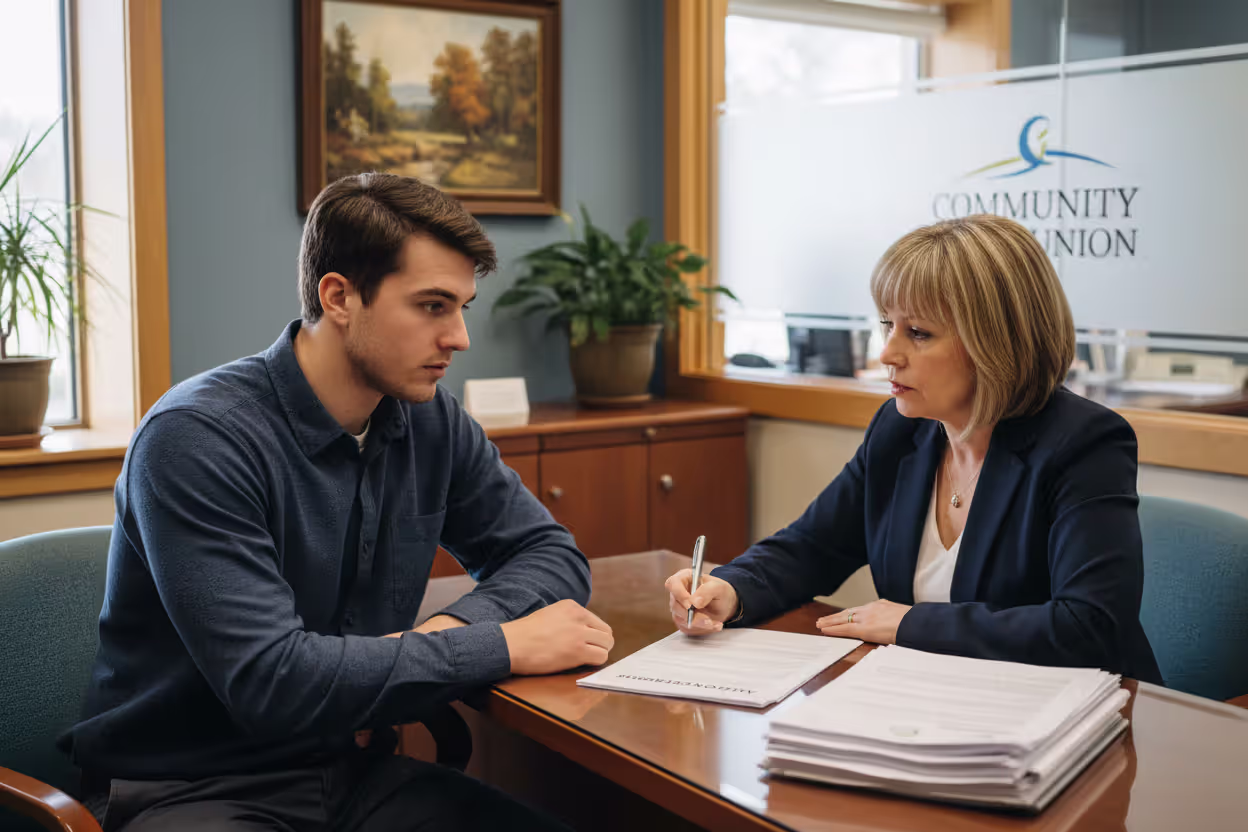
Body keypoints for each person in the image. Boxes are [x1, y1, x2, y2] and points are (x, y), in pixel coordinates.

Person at [61, 173, 613, 831]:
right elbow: (274, 682)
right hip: (192, 789)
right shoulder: (195, 439)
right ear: (339, 296)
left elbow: (549, 554)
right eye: (433, 306)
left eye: (463, 306)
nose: (460, 338)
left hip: (354, 775)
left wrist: (450, 633)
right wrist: (499, 646)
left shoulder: (430, 421)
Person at [665, 214, 1162, 683]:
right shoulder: (902, 431)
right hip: (933, 699)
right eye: (888, 325)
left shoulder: (1084, 443)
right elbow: (813, 546)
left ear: (996, 343)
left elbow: (1087, 627)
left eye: (918, 333)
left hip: (1078, 721)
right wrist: (730, 589)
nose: (887, 354)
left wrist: (908, 624)